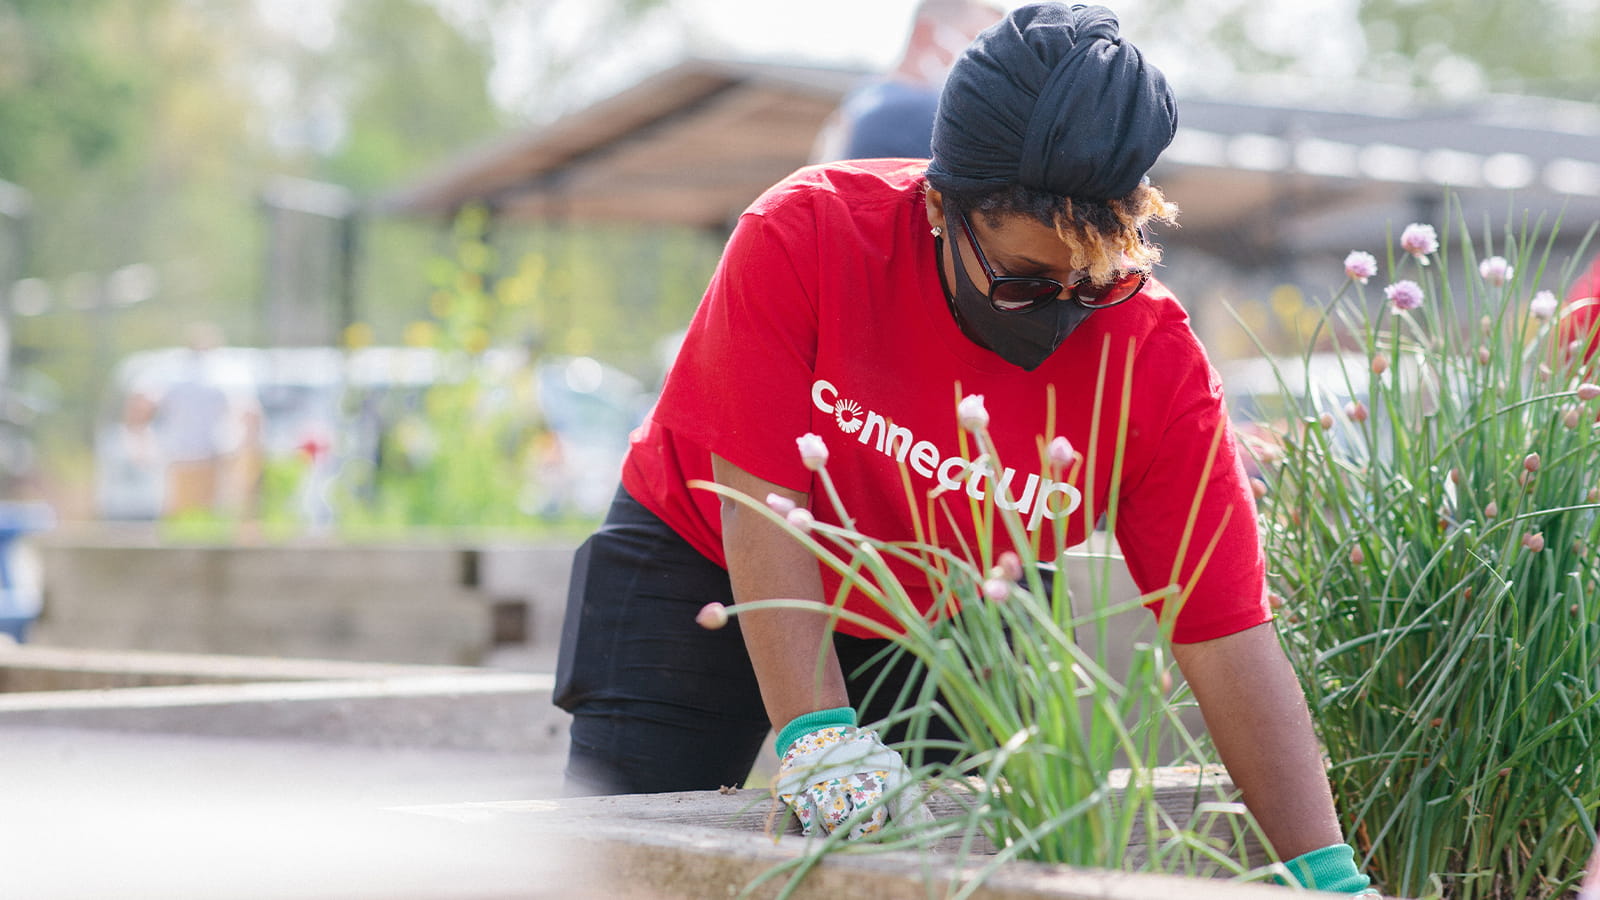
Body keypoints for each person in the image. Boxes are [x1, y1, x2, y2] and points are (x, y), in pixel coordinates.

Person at [554, 4, 1375, 894]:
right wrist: (818, 738)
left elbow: (1224, 633)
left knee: (956, 866)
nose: (1060, 310)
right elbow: (765, 505)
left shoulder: (1151, 362)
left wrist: (1326, 871)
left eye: (1089, 285)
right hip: (707, 566)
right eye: (1023, 284)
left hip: (947, 606)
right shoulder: (805, 238)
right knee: (624, 863)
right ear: (940, 206)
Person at [809, 0, 1005, 163]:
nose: (985, 60)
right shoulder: (923, 109)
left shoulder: (866, 94)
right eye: (974, 40)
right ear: (924, 32)